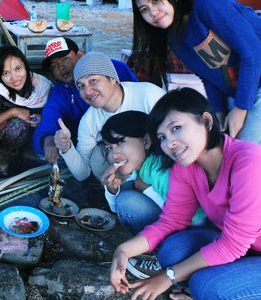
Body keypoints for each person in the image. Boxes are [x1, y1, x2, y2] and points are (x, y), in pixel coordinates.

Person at [110, 88, 261, 300]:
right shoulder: (186, 165)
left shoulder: (252, 164)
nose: (169, 143)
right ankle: (227, 282)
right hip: (248, 248)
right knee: (172, 251)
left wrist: (168, 277)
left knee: (209, 288)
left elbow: (233, 245)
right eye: (162, 137)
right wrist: (122, 250)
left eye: (176, 128)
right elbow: (172, 221)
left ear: (206, 122)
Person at [131, 0, 261, 152]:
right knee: (226, 144)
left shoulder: (206, 3)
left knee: (249, 151)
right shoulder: (174, 38)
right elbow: (208, 75)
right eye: (144, 10)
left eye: (155, 0)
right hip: (239, 81)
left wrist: (241, 109)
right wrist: (218, 111)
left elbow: (252, 51)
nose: (153, 12)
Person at [100, 110, 206, 280]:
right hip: (175, 227)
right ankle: (153, 249)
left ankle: (160, 258)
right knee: (124, 195)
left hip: (194, 232)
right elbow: (116, 208)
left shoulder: (160, 168)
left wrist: (146, 190)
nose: (114, 154)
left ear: (146, 141)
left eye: (120, 142)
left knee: (128, 200)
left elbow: (190, 218)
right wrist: (111, 189)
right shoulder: (140, 167)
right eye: (109, 147)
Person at [54, 52, 165, 182]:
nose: (88, 91)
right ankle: (118, 191)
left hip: (164, 170)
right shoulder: (89, 121)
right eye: (81, 86)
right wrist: (67, 148)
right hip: (128, 178)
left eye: (93, 81)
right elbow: (83, 173)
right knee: (98, 157)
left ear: (112, 78)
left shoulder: (149, 95)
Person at [32, 37, 138, 164]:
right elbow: (47, 123)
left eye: (65, 59)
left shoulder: (114, 68)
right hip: (95, 149)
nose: (61, 67)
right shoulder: (59, 95)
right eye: (54, 66)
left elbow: (137, 95)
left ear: (80, 54)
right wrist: (47, 140)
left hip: (133, 134)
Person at [0, 45, 52, 175]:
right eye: (6, 73)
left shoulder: (41, 85)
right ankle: (2, 154)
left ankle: (24, 152)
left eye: (18, 69)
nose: (14, 77)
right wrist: (13, 112)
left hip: (27, 135)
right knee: (18, 125)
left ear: (26, 67)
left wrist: (41, 117)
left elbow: (51, 111)